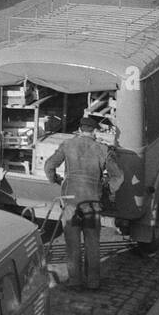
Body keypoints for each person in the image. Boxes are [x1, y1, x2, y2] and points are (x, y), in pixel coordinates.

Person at [44, 116, 124, 291]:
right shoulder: (103, 149)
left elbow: (49, 165)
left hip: (70, 202)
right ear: (94, 131)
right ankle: (93, 281)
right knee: (92, 241)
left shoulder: (67, 145)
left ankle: (74, 281)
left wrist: (56, 180)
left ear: (80, 129)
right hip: (92, 202)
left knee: (72, 243)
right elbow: (118, 176)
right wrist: (107, 190)